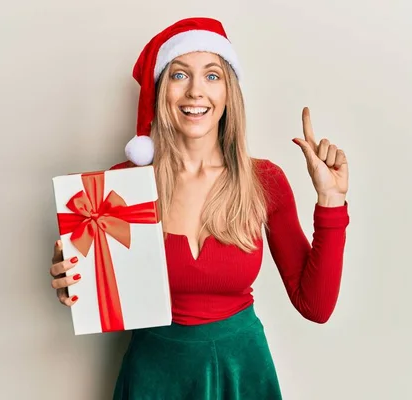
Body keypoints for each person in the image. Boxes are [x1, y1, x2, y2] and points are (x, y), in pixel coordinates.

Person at [49, 17, 350, 399]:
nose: (195, 92)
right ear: (161, 91)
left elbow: (316, 305)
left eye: (212, 76)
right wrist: (71, 278)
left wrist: (331, 202)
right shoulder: (122, 187)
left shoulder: (265, 181)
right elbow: (94, 292)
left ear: (229, 92)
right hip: (154, 378)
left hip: (242, 374)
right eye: (179, 75)